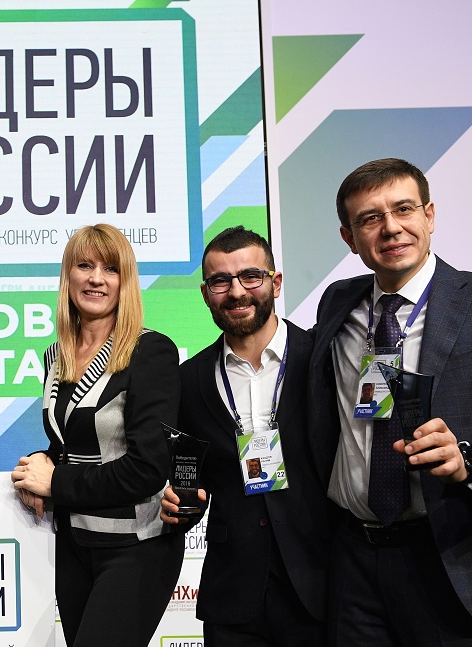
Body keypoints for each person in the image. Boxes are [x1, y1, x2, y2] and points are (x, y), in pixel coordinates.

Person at [309, 158, 472, 644]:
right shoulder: (337, 302)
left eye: (403, 209)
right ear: (349, 238)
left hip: (457, 557)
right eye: (370, 218)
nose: (391, 228)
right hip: (354, 563)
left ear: (430, 215)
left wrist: (471, 457)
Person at [10, 223, 185, 647]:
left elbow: (147, 468)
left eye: (110, 269)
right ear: (68, 276)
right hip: (73, 546)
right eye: (84, 266)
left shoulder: (150, 351)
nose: (96, 279)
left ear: (125, 281)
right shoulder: (55, 355)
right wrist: (41, 461)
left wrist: (56, 482)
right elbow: (73, 442)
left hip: (136, 547)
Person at [160, 226, 329, 645]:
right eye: (221, 281)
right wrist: (182, 503)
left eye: (250, 276)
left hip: (323, 584)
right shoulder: (188, 380)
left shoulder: (323, 358)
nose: (236, 292)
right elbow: (191, 478)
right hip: (233, 594)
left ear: (275, 282)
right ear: (205, 293)